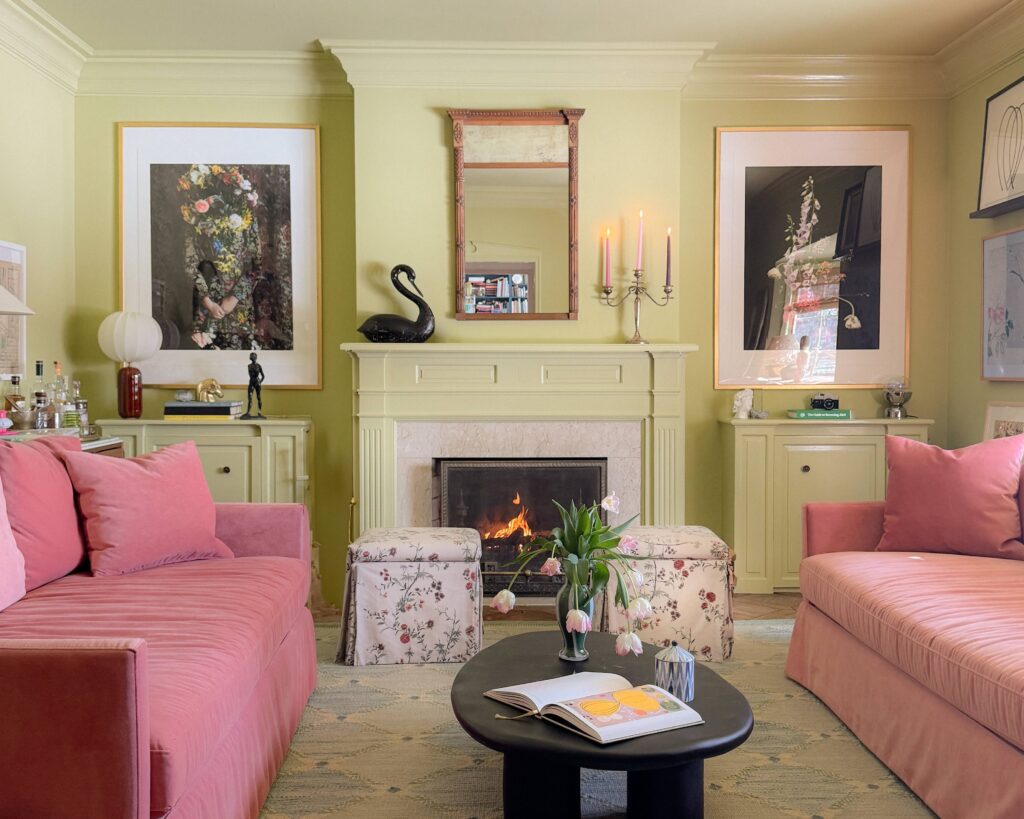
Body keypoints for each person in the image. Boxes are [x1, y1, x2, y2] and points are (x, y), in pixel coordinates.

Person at [242, 352, 266, 419]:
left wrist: (260, 382)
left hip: (257, 382)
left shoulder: (259, 366)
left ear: (255, 357)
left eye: (252, 356)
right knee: (249, 397)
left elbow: (263, 376)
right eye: (251, 356)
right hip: (251, 382)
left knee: (258, 397)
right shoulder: (249, 366)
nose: (251, 357)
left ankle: (259, 412)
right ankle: (248, 412)